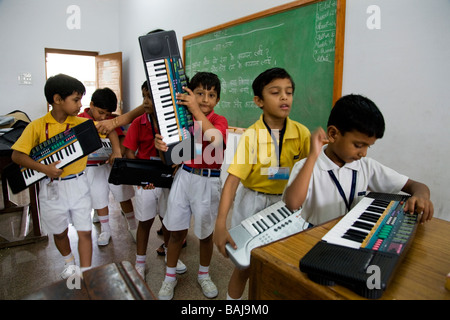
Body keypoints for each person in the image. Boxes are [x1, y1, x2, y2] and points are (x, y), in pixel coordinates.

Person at [214, 67, 311, 300]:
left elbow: (308, 173)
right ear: (258, 100)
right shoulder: (251, 136)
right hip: (252, 201)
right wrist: (220, 224)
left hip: (286, 204)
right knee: (245, 265)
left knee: (279, 264)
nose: (284, 97)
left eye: (289, 92)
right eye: (276, 92)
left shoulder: (301, 134)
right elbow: (232, 181)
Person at [283, 94, 433, 227]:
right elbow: (292, 203)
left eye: (369, 146)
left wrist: (421, 196)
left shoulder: (366, 166)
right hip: (315, 236)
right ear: (333, 134)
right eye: (358, 145)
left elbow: (416, 186)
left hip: (351, 235)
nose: (363, 153)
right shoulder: (307, 167)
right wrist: (312, 157)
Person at [11, 73, 93, 279]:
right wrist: (45, 169)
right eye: (75, 100)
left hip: (78, 184)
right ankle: (69, 263)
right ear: (57, 100)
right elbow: (17, 155)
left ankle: (86, 274)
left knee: (85, 231)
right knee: (59, 232)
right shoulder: (37, 126)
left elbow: (107, 129)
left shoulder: (81, 123)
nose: (79, 104)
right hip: (51, 187)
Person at [155, 72, 228, 300]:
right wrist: (162, 146)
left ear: (217, 100)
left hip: (208, 180)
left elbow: (216, 140)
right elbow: (174, 154)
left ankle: (204, 274)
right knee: (176, 232)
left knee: (206, 234)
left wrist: (196, 111)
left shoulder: (219, 121)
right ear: (190, 94)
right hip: (184, 176)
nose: (205, 99)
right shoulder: (181, 119)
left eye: (211, 95)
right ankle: (169, 278)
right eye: (199, 94)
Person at [123, 81, 186, 280]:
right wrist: (141, 179)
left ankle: (170, 253)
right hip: (147, 180)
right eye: (143, 96)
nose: (145, 102)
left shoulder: (176, 123)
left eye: (149, 97)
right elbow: (129, 153)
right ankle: (140, 263)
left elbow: (182, 152)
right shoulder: (138, 122)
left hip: (169, 177)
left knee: (168, 221)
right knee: (145, 222)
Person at [78, 88, 137, 246]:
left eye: (108, 115)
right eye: (101, 112)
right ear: (91, 105)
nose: (104, 118)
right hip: (92, 168)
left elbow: (117, 134)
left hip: (112, 165)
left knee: (123, 194)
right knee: (99, 198)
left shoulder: (110, 120)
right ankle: (105, 230)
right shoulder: (79, 120)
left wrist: (117, 152)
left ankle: (133, 227)